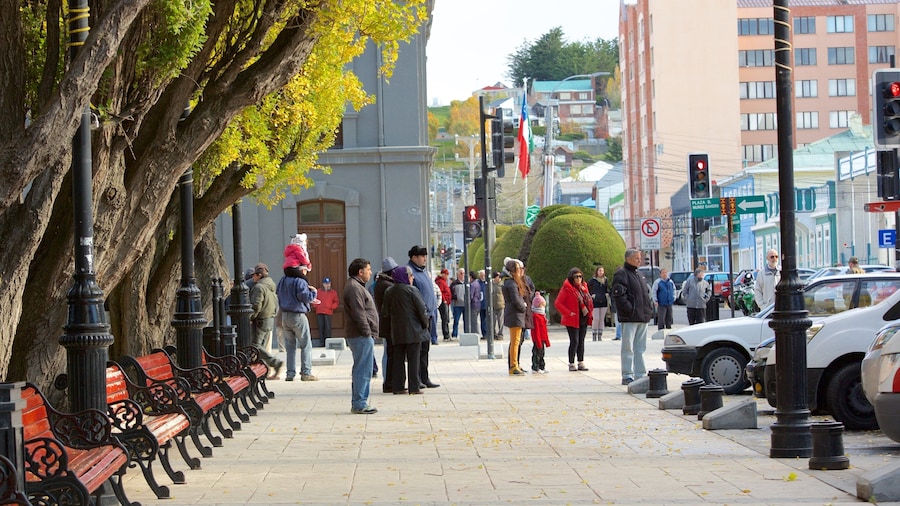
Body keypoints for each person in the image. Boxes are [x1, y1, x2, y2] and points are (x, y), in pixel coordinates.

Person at [381, 265, 429, 395]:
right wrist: (425, 325)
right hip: (414, 330)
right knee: (414, 360)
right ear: (406, 277)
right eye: (411, 275)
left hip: (396, 330)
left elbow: (385, 312)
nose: (412, 278)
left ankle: (398, 386)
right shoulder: (412, 290)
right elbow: (421, 310)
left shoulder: (389, 291)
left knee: (398, 359)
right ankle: (414, 387)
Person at [612, 248, 654, 385]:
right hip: (630, 317)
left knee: (640, 348)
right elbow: (619, 295)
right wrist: (629, 309)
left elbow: (645, 294)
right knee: (628, 347)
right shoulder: (621, 274)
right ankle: (627, 374)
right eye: (636, 258)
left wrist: (648, 310)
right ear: (628, 259)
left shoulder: (639, 274)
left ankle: (640, 373)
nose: (639, 260)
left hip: (642, 316)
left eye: (640, 258)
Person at [342, 258, 378, 414]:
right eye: (368, 270)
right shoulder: (354, 288)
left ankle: (359, 401)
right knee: (363, 370)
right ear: (360, 272)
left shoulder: (356, 286)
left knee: (362, 368)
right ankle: (360, 403)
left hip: (360, 334)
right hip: (360, 335)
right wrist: (367, 332)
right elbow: (359, 313)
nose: (370, 272)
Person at [276, 257, 319, 382]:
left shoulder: (283, 280)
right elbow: (304, 297)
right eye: (305, 269)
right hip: (298, 315)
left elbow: (278, 293)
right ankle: (306, 372)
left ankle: (290, 373)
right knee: (306, 344)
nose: (306, 272)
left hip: (285, 315)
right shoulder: (300, 281)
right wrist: (314, 293)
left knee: (290, 346)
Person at [407, 245, 440, 388]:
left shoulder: (424, 272)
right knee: (418, 350)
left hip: (430, 315)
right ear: (414, 257)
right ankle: (417, 379)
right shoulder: (410, 272)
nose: (425, 259)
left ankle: (425, 377)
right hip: (419, 317)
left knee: (425, 349)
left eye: (426, 256)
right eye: (422, 256)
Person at [248, 264, 284, 379]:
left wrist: (251, 317)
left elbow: (256, 305)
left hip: (261, 320)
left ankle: (275, 363)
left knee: (255, 346)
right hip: (269, 318)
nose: (253, 277)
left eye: (254, 275)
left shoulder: (259, 287)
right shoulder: (270, 286)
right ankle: (263, 371)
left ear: (259, 275)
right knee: (260, 347)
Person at [554, 267, 593, 372]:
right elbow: (558, 303)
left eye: (580, 276)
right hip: (572, 318)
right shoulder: (567, 289)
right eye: (576, 277)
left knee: (581, 341)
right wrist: (568, 313)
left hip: (583, 316)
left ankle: (581, 362)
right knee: (574, 341)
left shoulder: (584, 287)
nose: (579, 279)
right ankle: (571, 363)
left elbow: (587, 300)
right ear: (572, 278)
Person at [373, 257, 399, 393]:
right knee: (391, 354)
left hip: (386, 323)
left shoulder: (381, 283)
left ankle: (389, 382)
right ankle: (390, 382)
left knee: (390, 353)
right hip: (390, 324)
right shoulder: (387, 285)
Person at [501, 257, 531, 375]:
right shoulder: (511, 283)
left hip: (516, 314)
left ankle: (515, 364)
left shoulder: (511, 282)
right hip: (515, 314)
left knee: (516, 341)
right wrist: (524, 307)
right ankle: (513, 365)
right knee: (515, 341)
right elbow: (516, 300)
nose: (520, 271)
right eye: (518, 268)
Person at [587, 265, 609, 341]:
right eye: (599, 271)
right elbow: (587, 287)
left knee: (601, 318)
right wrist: (592, 294)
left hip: (603, 300)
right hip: (595, 301)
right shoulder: (593, 280)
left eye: (602, 271)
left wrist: (607, 294)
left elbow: (606, 288)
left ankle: (600, 334)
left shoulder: (605, 280)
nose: (601, 272)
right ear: (597, 271)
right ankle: (594, 334)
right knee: (596, 318)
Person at [314, 277, 339, 343]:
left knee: (328, 328)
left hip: (328, 312)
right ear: (323, 284)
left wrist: (332, 307)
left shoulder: (333, 292)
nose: (327, 285)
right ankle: (322, 342)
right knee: (321, 327)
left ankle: (328, 342)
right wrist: (316, 306)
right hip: (319, 312)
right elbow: (314, 300)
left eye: (329, 283)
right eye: (326, 283)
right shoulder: (318, 291)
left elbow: (336, 301)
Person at [530, 290, 550, 373]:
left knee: (541, 353)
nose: (543, 307)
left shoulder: (542, 316)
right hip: (538, 338)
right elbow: (537, 330)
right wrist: (538, 340)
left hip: (542, 338)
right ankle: (535, 366)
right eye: (542, 305)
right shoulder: (536, 316)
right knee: (537, 353)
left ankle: (542, 366)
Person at [435, 269, 452, 341]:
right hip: (443, 303)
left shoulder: (443, 281)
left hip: (446, 302)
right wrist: (444, 300)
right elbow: (440, 292)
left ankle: (447, 334)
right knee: (445, 319)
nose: (447, 276)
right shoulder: (440, 282)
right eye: (446, 274)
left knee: (446, 319)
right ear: (443, 274)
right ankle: (446, 335)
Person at [449, 269, 467, 338]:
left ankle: (466, 333)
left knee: (466, 321)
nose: (463, 275)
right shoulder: (454, 283)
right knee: (456, 320)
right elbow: (451, 292)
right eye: (461, 273)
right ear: (458, 274)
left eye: (464, 273)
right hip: (457, 305)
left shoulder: (467, 283)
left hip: (465, 305)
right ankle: (454, 334)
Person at [469, 271, 483, 338]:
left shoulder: (472, 285)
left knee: (473, 321)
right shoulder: (477, 283)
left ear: (471, 277)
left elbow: (470, 295)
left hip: (473, 304)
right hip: (478, 304)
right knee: (475, 320)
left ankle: (475, 335)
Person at [491, 271, 505, 340]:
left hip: (501, 305)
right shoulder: (491, 284)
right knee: (493, 321)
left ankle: (500, 334)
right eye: (498, 276)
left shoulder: (502, 284)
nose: (500, 278)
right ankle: (493, 333)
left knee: (501, 321)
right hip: (493, 305)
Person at [478, 270, 488, 337]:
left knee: (488, 320)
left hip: (488, 304)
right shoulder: (478, 283)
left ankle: (489, 333)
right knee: (482, 320)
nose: (483, 277)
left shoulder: (488, 282)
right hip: (481, 305)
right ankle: (484, 333)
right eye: (481, 275)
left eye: (484, 275)